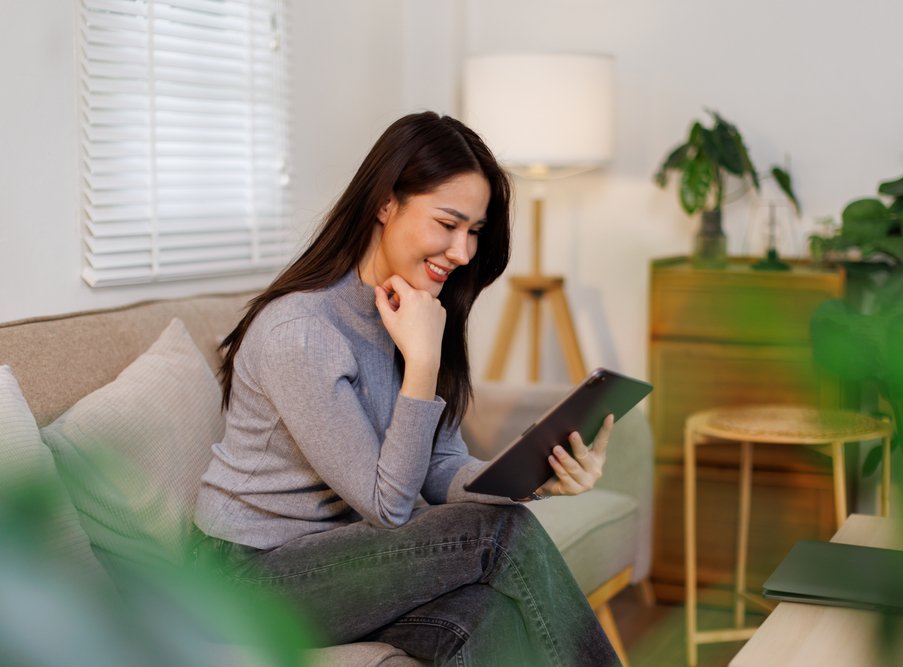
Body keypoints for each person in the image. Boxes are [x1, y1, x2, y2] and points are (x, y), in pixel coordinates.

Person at [190, 111, 621, 666]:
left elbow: (441, 467)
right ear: (385, 203)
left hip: (330, 561)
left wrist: (537, 476)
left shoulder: (412, 308)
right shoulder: (302, 331)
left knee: (483, 615)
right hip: (242, 581)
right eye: (448, 223)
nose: (462, 252)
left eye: (474, 231)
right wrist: (422, 360)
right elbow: (388, 506)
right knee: (501, 532)